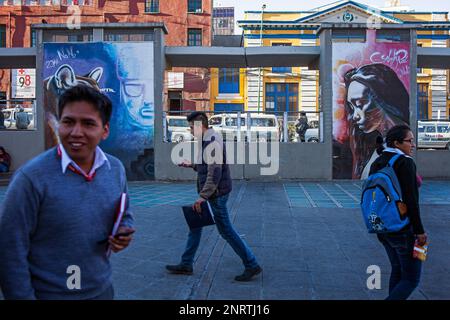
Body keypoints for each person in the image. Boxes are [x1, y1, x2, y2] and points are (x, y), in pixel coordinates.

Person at [0, 85, 135, 300]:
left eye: (88, 123)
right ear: (58, 123)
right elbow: (9, 250)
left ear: (105, 130)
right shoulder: (31, 178)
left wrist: (124, 230)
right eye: (68, 122)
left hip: (102, 291)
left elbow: (124, 211)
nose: (76, 132)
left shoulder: (115, 169)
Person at [166, 112, 262, 282]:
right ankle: (186, 263)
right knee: (195, 225)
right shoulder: (207, 139)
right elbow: (207, 165)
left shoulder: (212, 142)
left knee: (226, 231)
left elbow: (215, 172)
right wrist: (192, 165)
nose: (189, 130)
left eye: (191, 127)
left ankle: (251, 264)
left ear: (199, 125)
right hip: (211, 193)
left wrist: (202, 197)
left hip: (215, 195)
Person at [370, 125, 427, 300]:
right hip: (403, 228)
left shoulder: (378, 161)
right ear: (397, 143)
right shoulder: (405, 162)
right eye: (410, 141)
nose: (413, 145)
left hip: (382, 226)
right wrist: (419, 231)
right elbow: (411, 201)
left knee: (398, 270)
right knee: (410, 279)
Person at [343, 63, 410, 179]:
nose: (354, 116)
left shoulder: (396, 143)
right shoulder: (380, 143)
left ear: (382, 98)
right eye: (352, 107)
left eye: (360, 104)